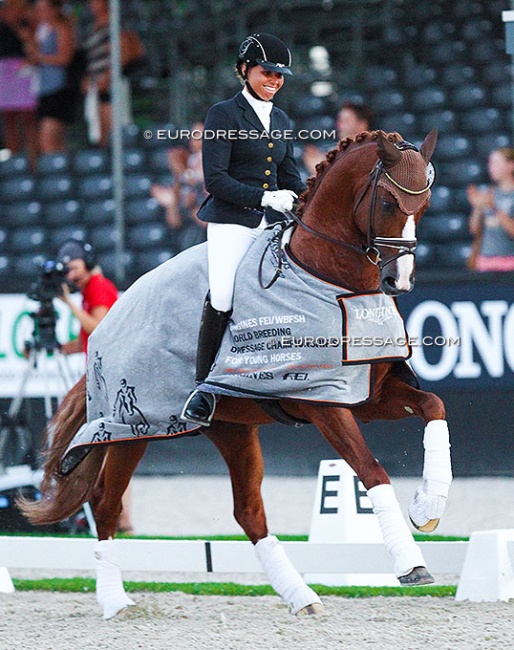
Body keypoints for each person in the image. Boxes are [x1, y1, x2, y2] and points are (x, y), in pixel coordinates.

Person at [181, 33, 305, 426]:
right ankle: (203, 389)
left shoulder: (282, 119)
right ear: (244, 70)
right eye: (267, 72)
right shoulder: (224, 114)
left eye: (280, 75)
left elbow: (290, 175)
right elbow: (215, 180)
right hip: (233, 220)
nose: (274, 80)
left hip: (274, 223)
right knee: (223, 295)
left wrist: (307, 200)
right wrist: (265, 198)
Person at [56, 239, 134, 533]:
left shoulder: (98, 287)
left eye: (74, 268)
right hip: (101, 371)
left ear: (87, 263)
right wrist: (60, 347)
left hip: (106, 374)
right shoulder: (89, 290)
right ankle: (119, 517)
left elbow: (97, 329)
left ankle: (117, 515)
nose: (70, 276)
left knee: (109, 446)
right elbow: (85, 342)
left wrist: (68, 305)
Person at [82, 0, 145, 147]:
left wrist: (109, 76)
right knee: (100, 133)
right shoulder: (94, 26)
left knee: (114, 132)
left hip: (113, 84)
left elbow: (127, 52)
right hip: (97, 84)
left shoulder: (116, 24)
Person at [21, 0, 77, 153]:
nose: (40, 13)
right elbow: (34, 56)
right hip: (43, 89)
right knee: (48, 141)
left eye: (44, 9)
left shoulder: (61, 28)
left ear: (54, 10)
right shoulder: (41, 30)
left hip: (58, 88)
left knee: (49, 138)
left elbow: (65, 57)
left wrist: (40, 57)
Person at [150, 120, 208, 249]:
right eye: (195, 135)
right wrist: (172, 203)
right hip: (187, 243)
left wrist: (192, 206)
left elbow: (206, 222)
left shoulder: (220, 169)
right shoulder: (187, 168)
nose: (198, 140)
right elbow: (174, 222)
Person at [0, 0, 38, 167]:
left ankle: (33, 163)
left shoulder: (28, 13)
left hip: (23, 68)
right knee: (9, 119)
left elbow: (34, 39)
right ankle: (14, 163)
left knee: (28, 118)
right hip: (3, 68)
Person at [467, 147, 514, 272]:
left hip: (509, 262)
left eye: (496, 163)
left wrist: (494, 207)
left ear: (511, 165)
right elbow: (474, 230)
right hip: (485, 262)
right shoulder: (488, 193)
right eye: (490, 163)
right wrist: (477, 207)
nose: (491, 167)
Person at [302, 101, 373, 175]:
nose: (339, 125)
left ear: (362, 125)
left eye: (346, 121)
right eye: (339, 120)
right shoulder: (338, 151)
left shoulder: (372, 149)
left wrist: (322, 170)